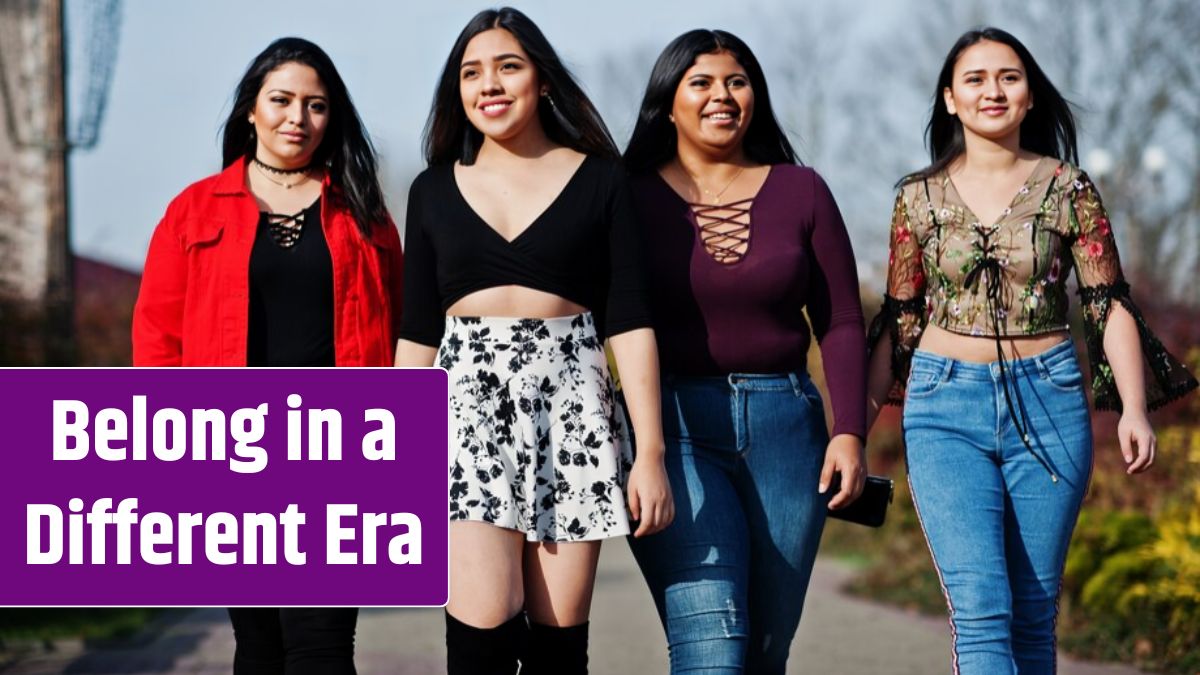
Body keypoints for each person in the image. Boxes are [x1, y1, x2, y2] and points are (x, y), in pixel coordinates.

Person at [865, 27, 1197, 675]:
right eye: (976, 79)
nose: (994, 89)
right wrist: (851, 429)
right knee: (983, 604)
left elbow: (1108, 302)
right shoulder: (917, 197)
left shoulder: (1069, 189)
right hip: (942, 407)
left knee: (1034, 610)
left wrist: (1134, 406)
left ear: (1031, 97)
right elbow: (901, 317)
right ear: (951, 100)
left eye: (1009, 77)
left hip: (1049, 401)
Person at [393, 8, 673, 674]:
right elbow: (416, 333)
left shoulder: (603, 181)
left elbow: (629, 321)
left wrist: (651, 452)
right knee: (483, 628)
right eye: (471, 73)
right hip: (463, 413)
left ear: (542, 81)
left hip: (573, 411)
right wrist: (394, 451)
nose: (489, 84)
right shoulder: (431, 190)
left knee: (557, 644)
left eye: (507, 66)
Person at [133, 37, 402, 674]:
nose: (297, 119)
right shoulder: (192, 211)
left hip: (340, 452)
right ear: (250, 110)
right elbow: (157, 341)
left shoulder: (363, 213)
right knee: (260, 648)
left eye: (316, 106)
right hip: (234, 454)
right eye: (281, 101)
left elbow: (400, 332)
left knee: (323, 647)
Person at [622, 29, 867, 674]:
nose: (720, 96)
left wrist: (849, 433)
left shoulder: (803, 190)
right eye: (700, 82)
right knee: (712, 645)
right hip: (672, 429)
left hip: (788, 430)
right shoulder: (627, 195)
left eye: (736, 81)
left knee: (763, 652)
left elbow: (840, 319)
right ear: (667, 101)